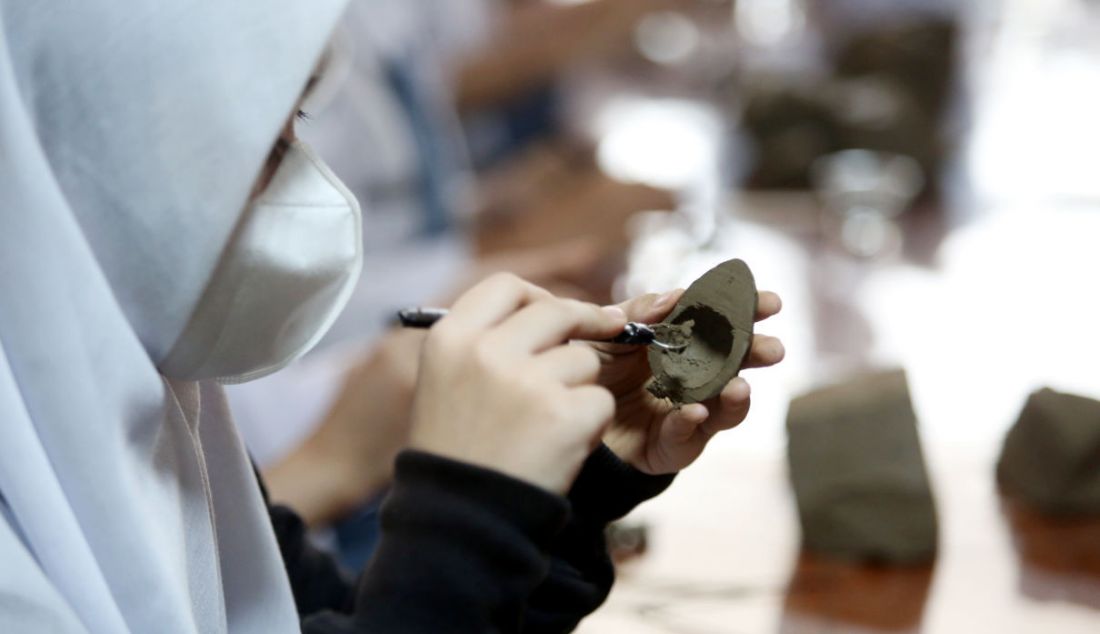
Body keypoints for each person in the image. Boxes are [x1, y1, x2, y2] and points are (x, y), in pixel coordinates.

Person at [0, 2, 783, 633]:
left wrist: (562, 492)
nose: (315, 193)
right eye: (265, 151)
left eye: (299, 126)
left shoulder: (166, 429)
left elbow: (350, 617)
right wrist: (468, 499)